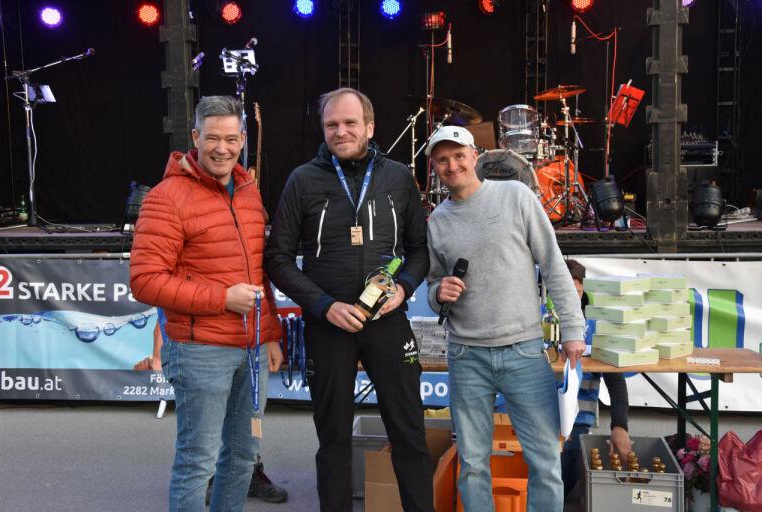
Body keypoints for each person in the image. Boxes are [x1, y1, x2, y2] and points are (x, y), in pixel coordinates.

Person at [264, 87, 434, 512]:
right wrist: (324, 305)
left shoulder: (398, 176)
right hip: (328, 326)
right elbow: (277, 258)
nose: (340, 131)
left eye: (350, 123)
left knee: (409, 434)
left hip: (387, 323)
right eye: (332, 124)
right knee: (333, 440)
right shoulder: (303, 180)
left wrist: (404, 288)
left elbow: (419, 250)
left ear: (370, 127)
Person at [129, 95, 284, 512]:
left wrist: (269, 333)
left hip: (251, 349)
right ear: (196, 137)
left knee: (243, 456)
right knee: (197, 461)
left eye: (231, 139)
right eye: (213, 138)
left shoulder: (248, 192)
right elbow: (144, 281)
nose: (222, 148)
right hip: (200, 351)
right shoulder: (166, 197)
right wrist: (222, 299)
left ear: (243, 140)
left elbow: (258, 272)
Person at [425, 125, 586, 512]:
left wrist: (573, 328)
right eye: (442, 160)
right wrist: (437, 292)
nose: (452, 165)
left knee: (545, 462)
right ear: (434, 167)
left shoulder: (516, 196)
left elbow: (553, 265)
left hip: (524, 352)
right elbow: (432, 284)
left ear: (474, 155)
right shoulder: (437, 222)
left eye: (458, 155)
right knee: (472, 465)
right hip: (466, 356)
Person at [132, 312, 289, 504]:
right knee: (199, 455)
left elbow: (261, 295)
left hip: (248, 342)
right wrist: (160, 353)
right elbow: (158, 297)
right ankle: (212, 475)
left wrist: (270, 336)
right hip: (197, 343)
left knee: (244, 445)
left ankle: (249, 472)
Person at [561, 259, 631, 497]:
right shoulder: (540, 320)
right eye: (565, 292)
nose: (572, 299)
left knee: (560, 485)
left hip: (577, 422)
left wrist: (620, 426)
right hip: (541, 421)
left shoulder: (597, 326)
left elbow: (616, 381)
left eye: (577, 292)